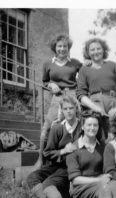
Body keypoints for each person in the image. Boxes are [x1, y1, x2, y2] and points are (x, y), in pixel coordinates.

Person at [36, 34, 82, 168]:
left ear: (68, 48)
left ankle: (77, 161)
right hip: (57, 97)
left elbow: (85, 74)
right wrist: (51, 85)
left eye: (65, 46)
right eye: (59, 46)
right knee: (48, 127)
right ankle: (40, 159)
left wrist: (89, 63)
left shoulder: (75, 63)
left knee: (76, 126)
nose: (62, 49)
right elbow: (44, 82)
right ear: (55, 48)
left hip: (73, 96)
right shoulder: (47, 64)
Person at [26, 95, 82, 198]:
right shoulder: (57, 128)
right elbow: (47, 153)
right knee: (32, 177)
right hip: (56, 165)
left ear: (76, 109)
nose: (68, 111)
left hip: (71, 167)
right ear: (62, 111)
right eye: (65, 109)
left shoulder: (82, 127)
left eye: (71, 108)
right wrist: (63, 151)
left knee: (48, 183)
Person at [76, 38, 116, 141]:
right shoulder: (84, 69)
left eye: (98, 48)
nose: (96, 52)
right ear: (88, 53)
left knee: (114, 136)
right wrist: (95, 108)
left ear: (104, 50)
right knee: (99, 135)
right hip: (95, 104)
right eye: (92, 50)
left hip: (113, 104)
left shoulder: (112, 65)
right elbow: (81, 94)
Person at [66, 110, 116, 198]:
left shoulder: (102, 147)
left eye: (95, 125)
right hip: (81, 188)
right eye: (89, 125)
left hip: (100, 184)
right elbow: (75, 180)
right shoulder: (73, 148)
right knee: (104, 188)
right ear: (82, 127)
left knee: (115, 184)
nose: (92, 128)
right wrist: (99, 180)